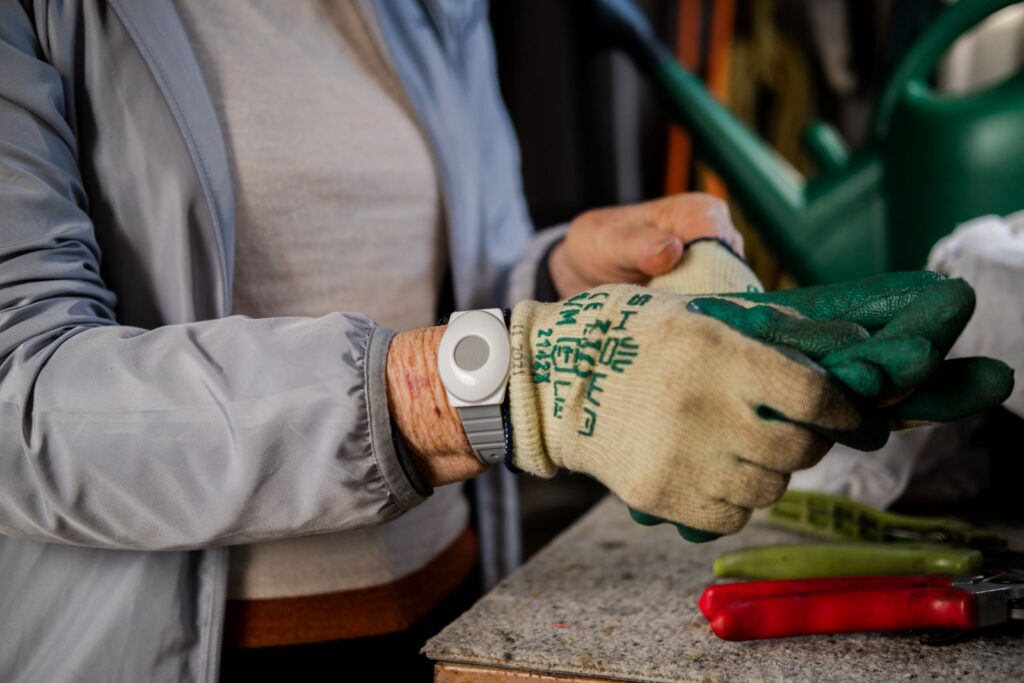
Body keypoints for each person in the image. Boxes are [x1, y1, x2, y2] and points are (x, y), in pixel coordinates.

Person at [0, 2, 1008, 681]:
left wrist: (564, 276)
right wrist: (515, 383)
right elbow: (24, 398)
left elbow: (447, 290)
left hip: (459, 609)